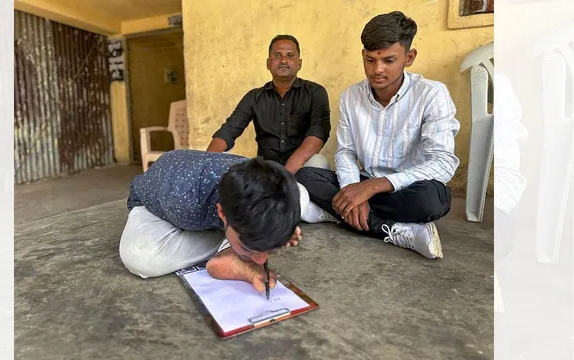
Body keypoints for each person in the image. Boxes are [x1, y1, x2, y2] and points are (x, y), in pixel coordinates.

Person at [296, 11, 460, 259]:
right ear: (363, 55)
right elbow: (346, 152)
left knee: (433, 199)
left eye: (388, 60)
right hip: (364, 180)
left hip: (407, 188)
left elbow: (443, 163)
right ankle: (392, 229)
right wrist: (353, 189)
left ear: (409, 57)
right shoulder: (351, 97)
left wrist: (374, 187)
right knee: (307, 175)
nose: (377, 70)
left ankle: (336, 213)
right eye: (370, 60)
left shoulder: (432, 95)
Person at [119, 149, 308, 292]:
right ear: (222, 213)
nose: (263, 259)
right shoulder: (183, 203)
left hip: (213, 202)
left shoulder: (254, 176)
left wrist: (278, 228)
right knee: (139, 257)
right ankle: (227, 252)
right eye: (248, 249)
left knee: (300, 194)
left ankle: (233, 246)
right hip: (157, 205)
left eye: (269, 250)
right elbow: (187, 213)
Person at [206, 34, 331, 175]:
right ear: (268, 63)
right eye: (277, 55)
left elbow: (318, 134)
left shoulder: (314, 92)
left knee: (318, 162)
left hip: (301, 167)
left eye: (290, 55)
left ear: (299, 63)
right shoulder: (254, 97)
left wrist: (286, 175)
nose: (283, 60)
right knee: (230, 167)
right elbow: (229, 131)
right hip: (266, 169)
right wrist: (204, 163)